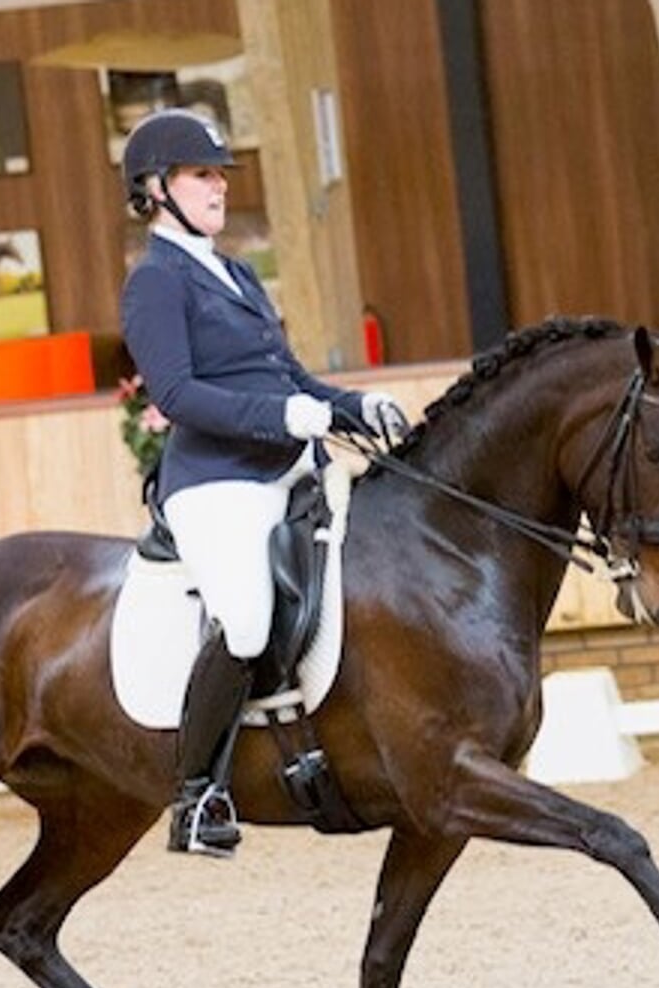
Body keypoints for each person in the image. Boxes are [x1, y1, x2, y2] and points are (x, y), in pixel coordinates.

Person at [118, 108, 410, 858]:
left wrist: (353, 405)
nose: (218, 187)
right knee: (244, 620)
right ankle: (197, 795)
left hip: (287, 467)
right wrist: (286, 413)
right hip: (216, 481)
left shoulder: (238, 271)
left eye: (219, 174)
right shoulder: (154, 281)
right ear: (156, 189)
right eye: (200, 175)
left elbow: (289, 377)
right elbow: (178, 395)